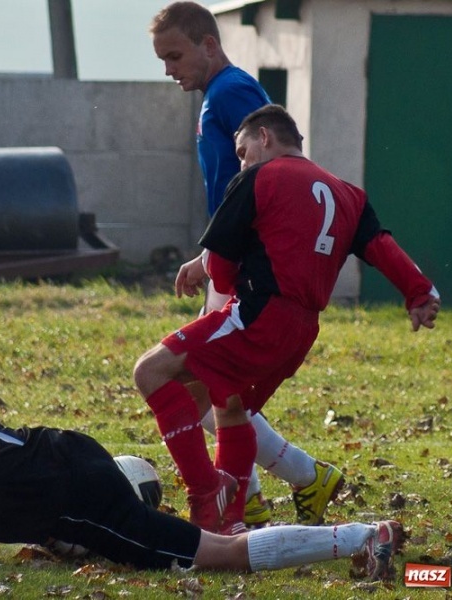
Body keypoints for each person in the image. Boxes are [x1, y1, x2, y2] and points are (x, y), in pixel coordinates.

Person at [133, 104, 440, 535]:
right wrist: (419, 292)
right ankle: (230, 522)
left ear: (265, 137)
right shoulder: (348, 194)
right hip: (300, 332)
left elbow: (221, 265)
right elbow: (380, 246)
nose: (241, 161)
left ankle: (205, 492)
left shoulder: (259, 178)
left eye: (242, 151)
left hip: (258, 315)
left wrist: (223, 285)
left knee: (149, 371)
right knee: (230, 405)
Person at [0, 384, 403, 580]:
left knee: (220, 554)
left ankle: (360, 537)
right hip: (70, 447)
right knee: (79, 527)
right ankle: (114, 509)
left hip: (73, 497)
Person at [150, 0, 343, 529]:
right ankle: (257, 491)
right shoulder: (219, 94)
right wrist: (208, 253)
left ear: (208, 45)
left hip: (248, 269)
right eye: (163, 59)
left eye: (175, 56)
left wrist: (225, 253)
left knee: (205, 389)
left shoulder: (231, 91)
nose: (169, 70)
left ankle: (287, 481)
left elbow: (268, 172)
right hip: (231, 258)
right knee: (217, 393)